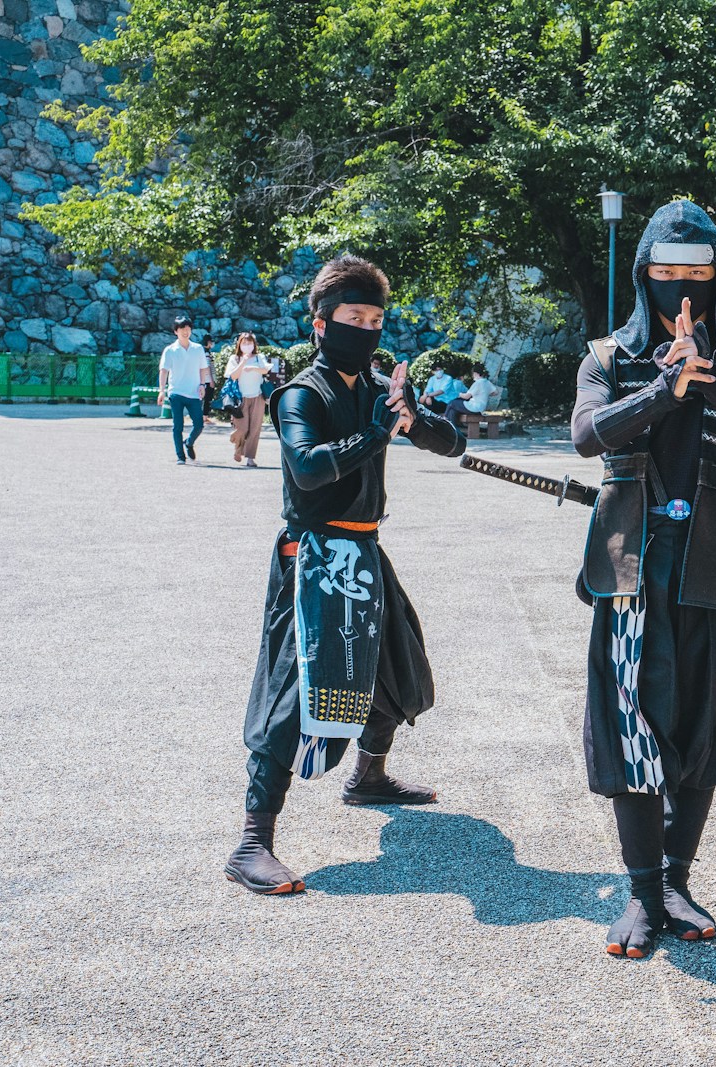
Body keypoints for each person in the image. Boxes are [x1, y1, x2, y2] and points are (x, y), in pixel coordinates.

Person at [571, 199, 716, 958]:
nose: (682, 291)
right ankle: (639, 888)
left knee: (704, 721)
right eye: (665, 275)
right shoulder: (609, 356)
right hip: (632, 569)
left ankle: (676, 877)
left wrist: (712, 377)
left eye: (697, 275)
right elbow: (585, 434)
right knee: (632, 724)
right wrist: (663, 391)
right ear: (642, 278)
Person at [224, 254, 468, 896]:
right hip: (313, 559)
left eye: (375, 318)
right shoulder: (304, 391)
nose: (366, 328)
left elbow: (452, 445)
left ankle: (369, 776)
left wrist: (411, 414)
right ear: (321, 323)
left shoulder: (379, 388)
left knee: (394, 661)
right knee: (296, 689)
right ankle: (253, 841)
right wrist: (378, 432)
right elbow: (307, 467)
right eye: (352, 317)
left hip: (364, 551)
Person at [158, 315, 211, 464]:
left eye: (188, 329)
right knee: (178, 425)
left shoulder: (198, 348)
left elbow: (203, 369)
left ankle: (189, 442)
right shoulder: (170, 350)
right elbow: (164, 371)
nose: (185, 332)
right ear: (176, 331)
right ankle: (180, 456)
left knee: (199, 424)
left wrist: (202, 385)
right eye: (182, 329)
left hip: (193, 392)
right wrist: (162, 390)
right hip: (176, 392)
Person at [225, 332, 274, 467]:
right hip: (240, 399)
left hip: (258, 397)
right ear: (239, 344)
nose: (247, 346)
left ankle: (250, 458)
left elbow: (265, 370)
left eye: (250, 343)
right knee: (242, 428)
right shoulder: (234, 359)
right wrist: (243, 362)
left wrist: (253, 367)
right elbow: (233, 376)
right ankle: (237, 447)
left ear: (254, 344)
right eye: (244, 343)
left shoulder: (259, 357)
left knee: (255, 428)